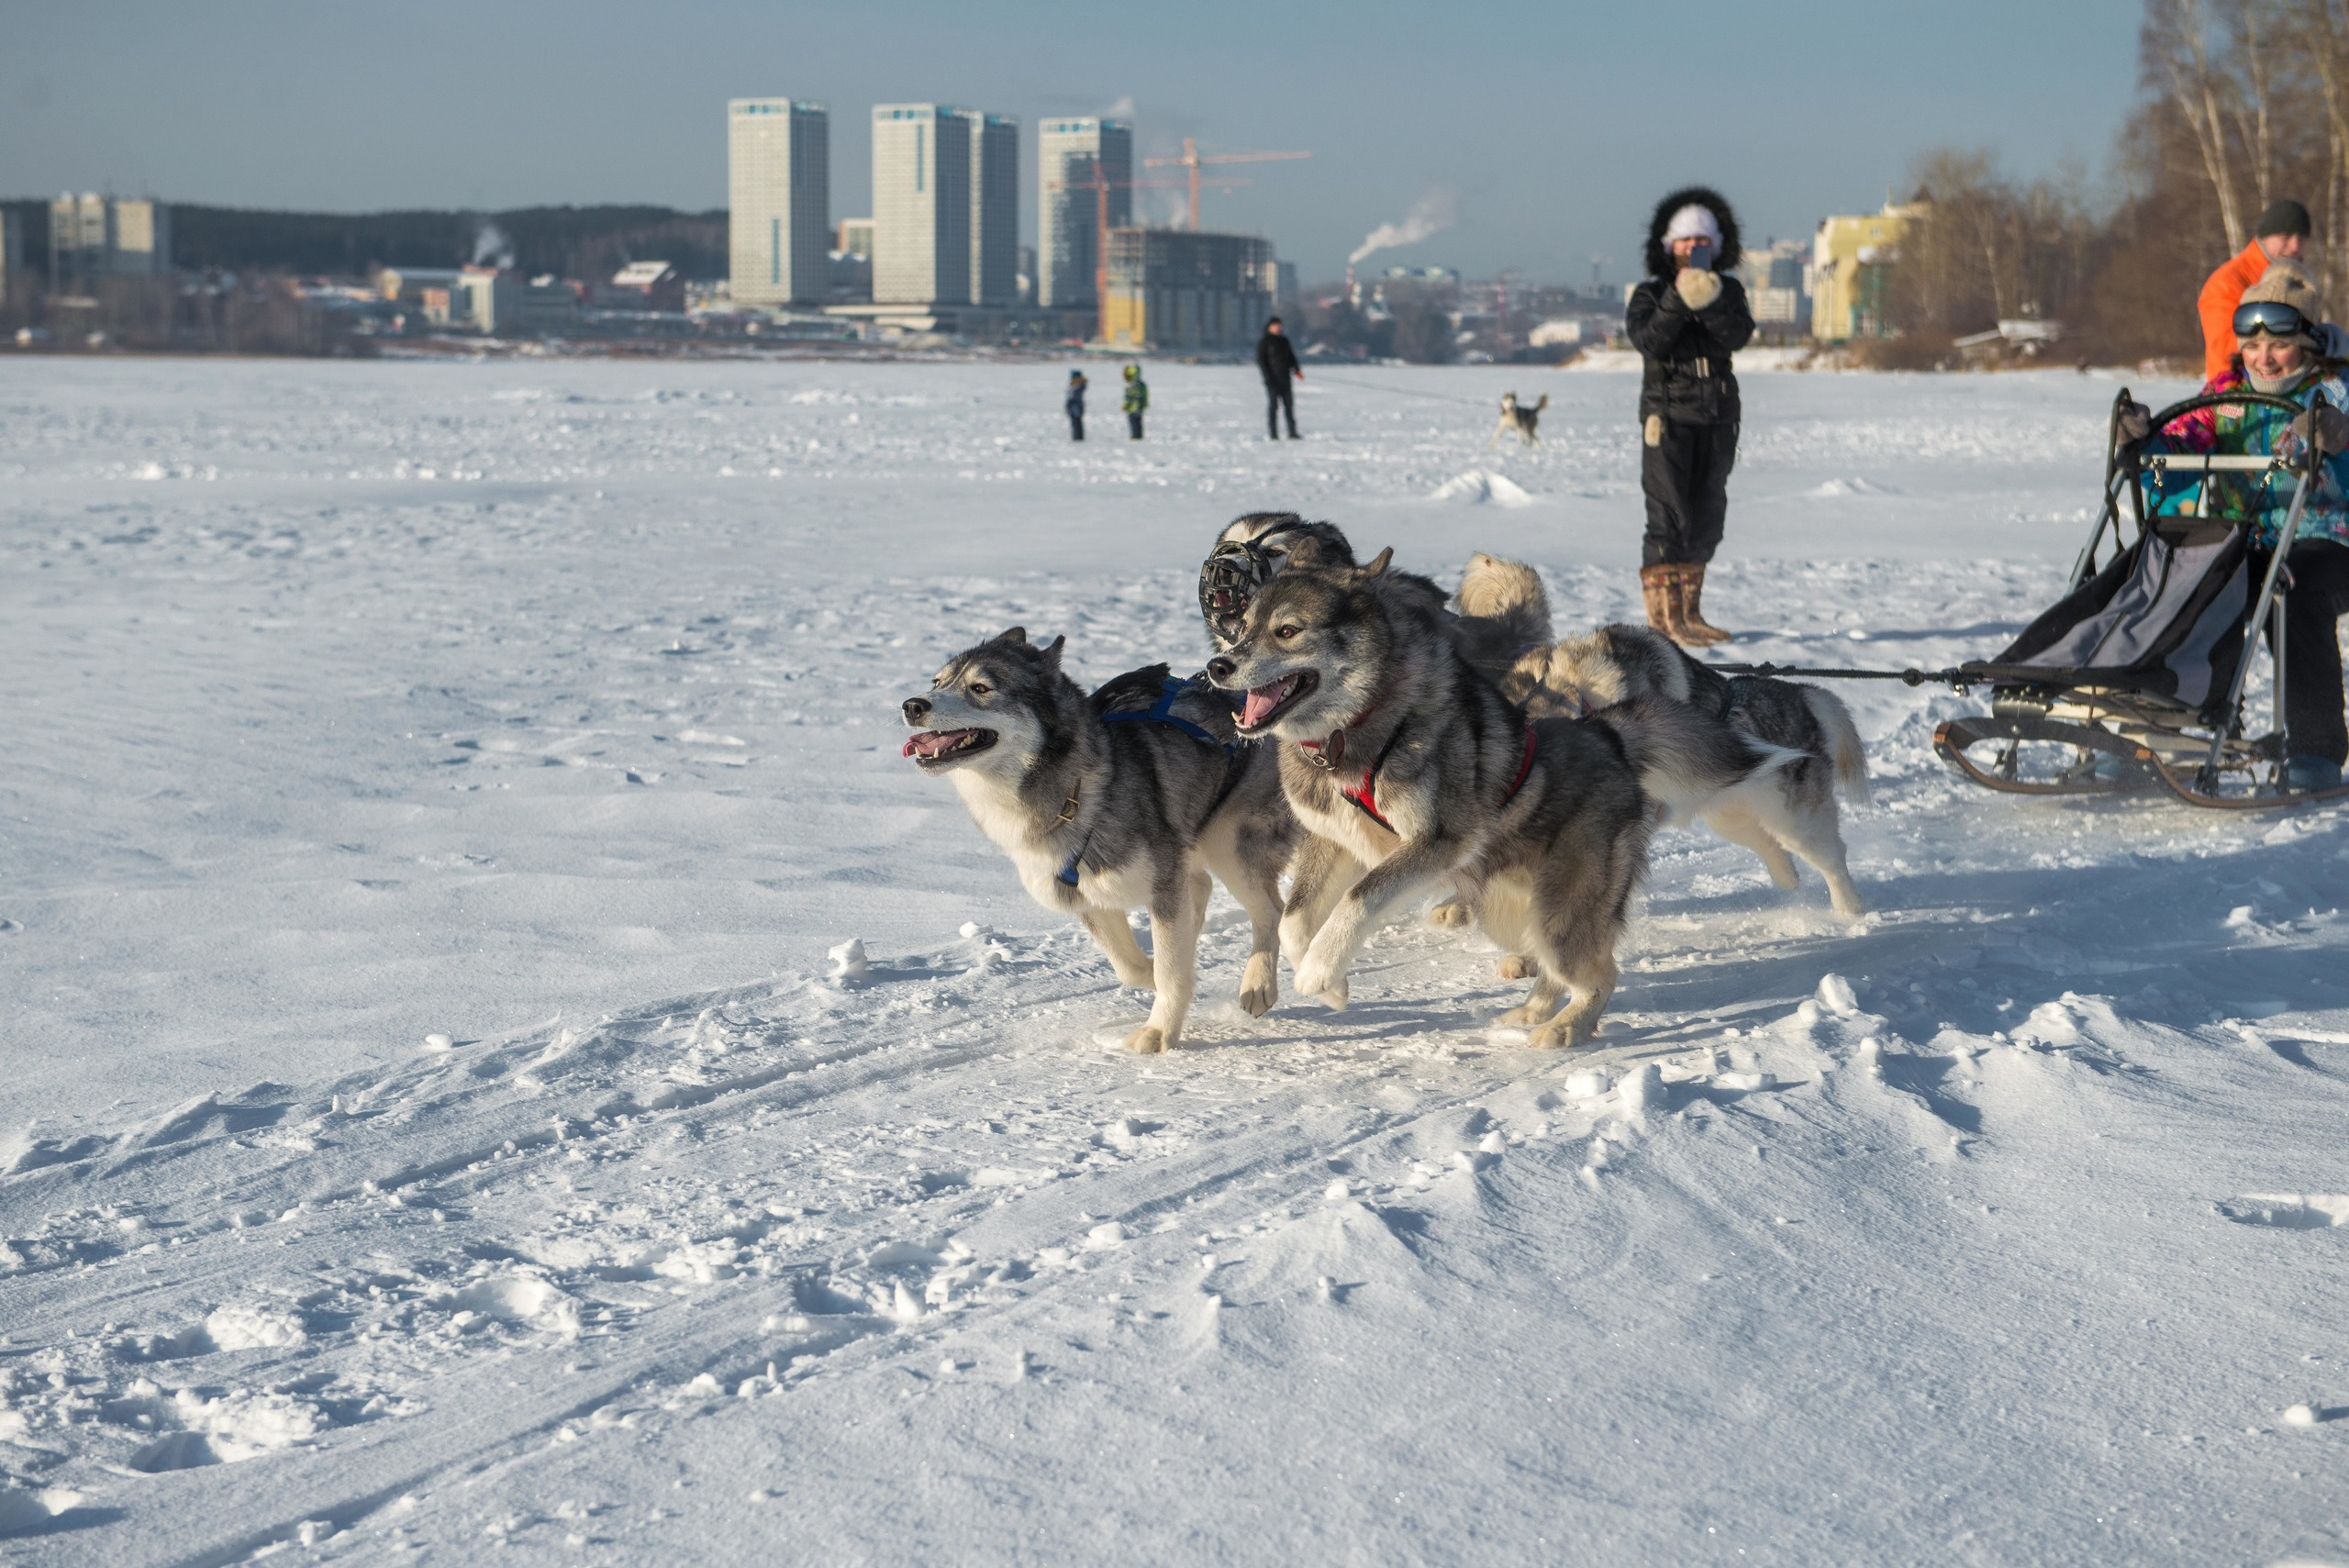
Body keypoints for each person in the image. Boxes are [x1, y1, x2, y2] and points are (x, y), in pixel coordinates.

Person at [2121, 261, 2349, 790]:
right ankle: (2188, 728)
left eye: (2279, 344)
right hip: (2245, 540)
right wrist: (2144, 441)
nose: (2262, 358)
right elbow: (2179, 447)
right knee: (2188, 580)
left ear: (2308, 342)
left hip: (2328, 542)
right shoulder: (2225, 395)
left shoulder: (2334, 392)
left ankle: (2317, 749)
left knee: (2289, 590)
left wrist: (2331, 432)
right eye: (2252, 344)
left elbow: (2342, 435)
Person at [1625, 186, 1753, 647]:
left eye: (1702, 242)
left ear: (1716, 246)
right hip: (1668, 418)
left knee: (1707, 517)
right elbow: (1650, 341)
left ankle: (1690, 614)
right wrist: (1681, 298)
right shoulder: (1650, 294)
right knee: (1668, 516)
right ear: (1668, 246)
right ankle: (1664, 623)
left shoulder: (1730, 291)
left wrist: (1710, 297)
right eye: (1685, 241)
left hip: (1717, 418)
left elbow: (1737, 336)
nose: (1693, 249)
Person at [2193, 200, 2349, 380]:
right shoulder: (2227, 281)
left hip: (2291, 392)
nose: (2296, 246)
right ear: (2264, 236)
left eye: (2302, 238)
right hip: (2235, 395)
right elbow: (2225, 349)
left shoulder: (2298, 284)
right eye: (2286, 236)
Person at [1255, 317, 1302, 440]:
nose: (1279, 328)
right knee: (1273, 407)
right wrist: (1267, 378)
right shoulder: (1265, 342)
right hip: (1272, 381)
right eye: (1276, 325)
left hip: (1285, 379)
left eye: (1280, 325)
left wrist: (1297, 369)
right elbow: (1262, 361)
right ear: (1270, 327)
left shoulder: (1284, 341)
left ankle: (1292, 432)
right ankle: (1273, 433)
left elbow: (1292, 357)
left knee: (1289, 407)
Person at [1122, 363, 1149, 439]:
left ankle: (1135, 436)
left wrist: (1125, 406)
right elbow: (1145, 395)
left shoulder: (1131, 385)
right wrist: (1144, 404)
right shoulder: (1142, 384)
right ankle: (1138, 436)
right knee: (1138, 422)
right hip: (1140, 407)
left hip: (1133, 408)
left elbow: (1129, 398)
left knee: (1134, 422)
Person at [1064, 369, 1087, 442]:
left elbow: (1072, 398)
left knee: (1077, 425)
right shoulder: (1075, 387)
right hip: (1073, 409)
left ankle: (1078, 438)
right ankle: (1076, 438)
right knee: (1075, 425)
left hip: (1076, 409)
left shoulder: (1078, 387)